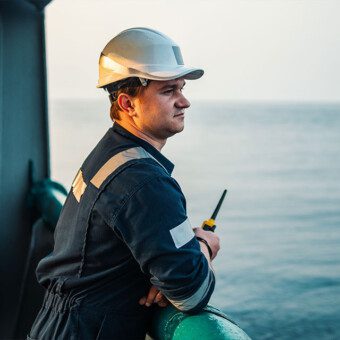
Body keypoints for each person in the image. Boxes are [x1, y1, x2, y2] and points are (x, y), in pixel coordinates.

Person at [28, 27, 220, 340]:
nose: (184, 102)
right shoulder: (144, 181)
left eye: (182, 89)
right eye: (168, 91)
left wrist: (161, 274)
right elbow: (191, 293)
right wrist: (205, 247)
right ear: (127, 103)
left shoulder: (108, 155)